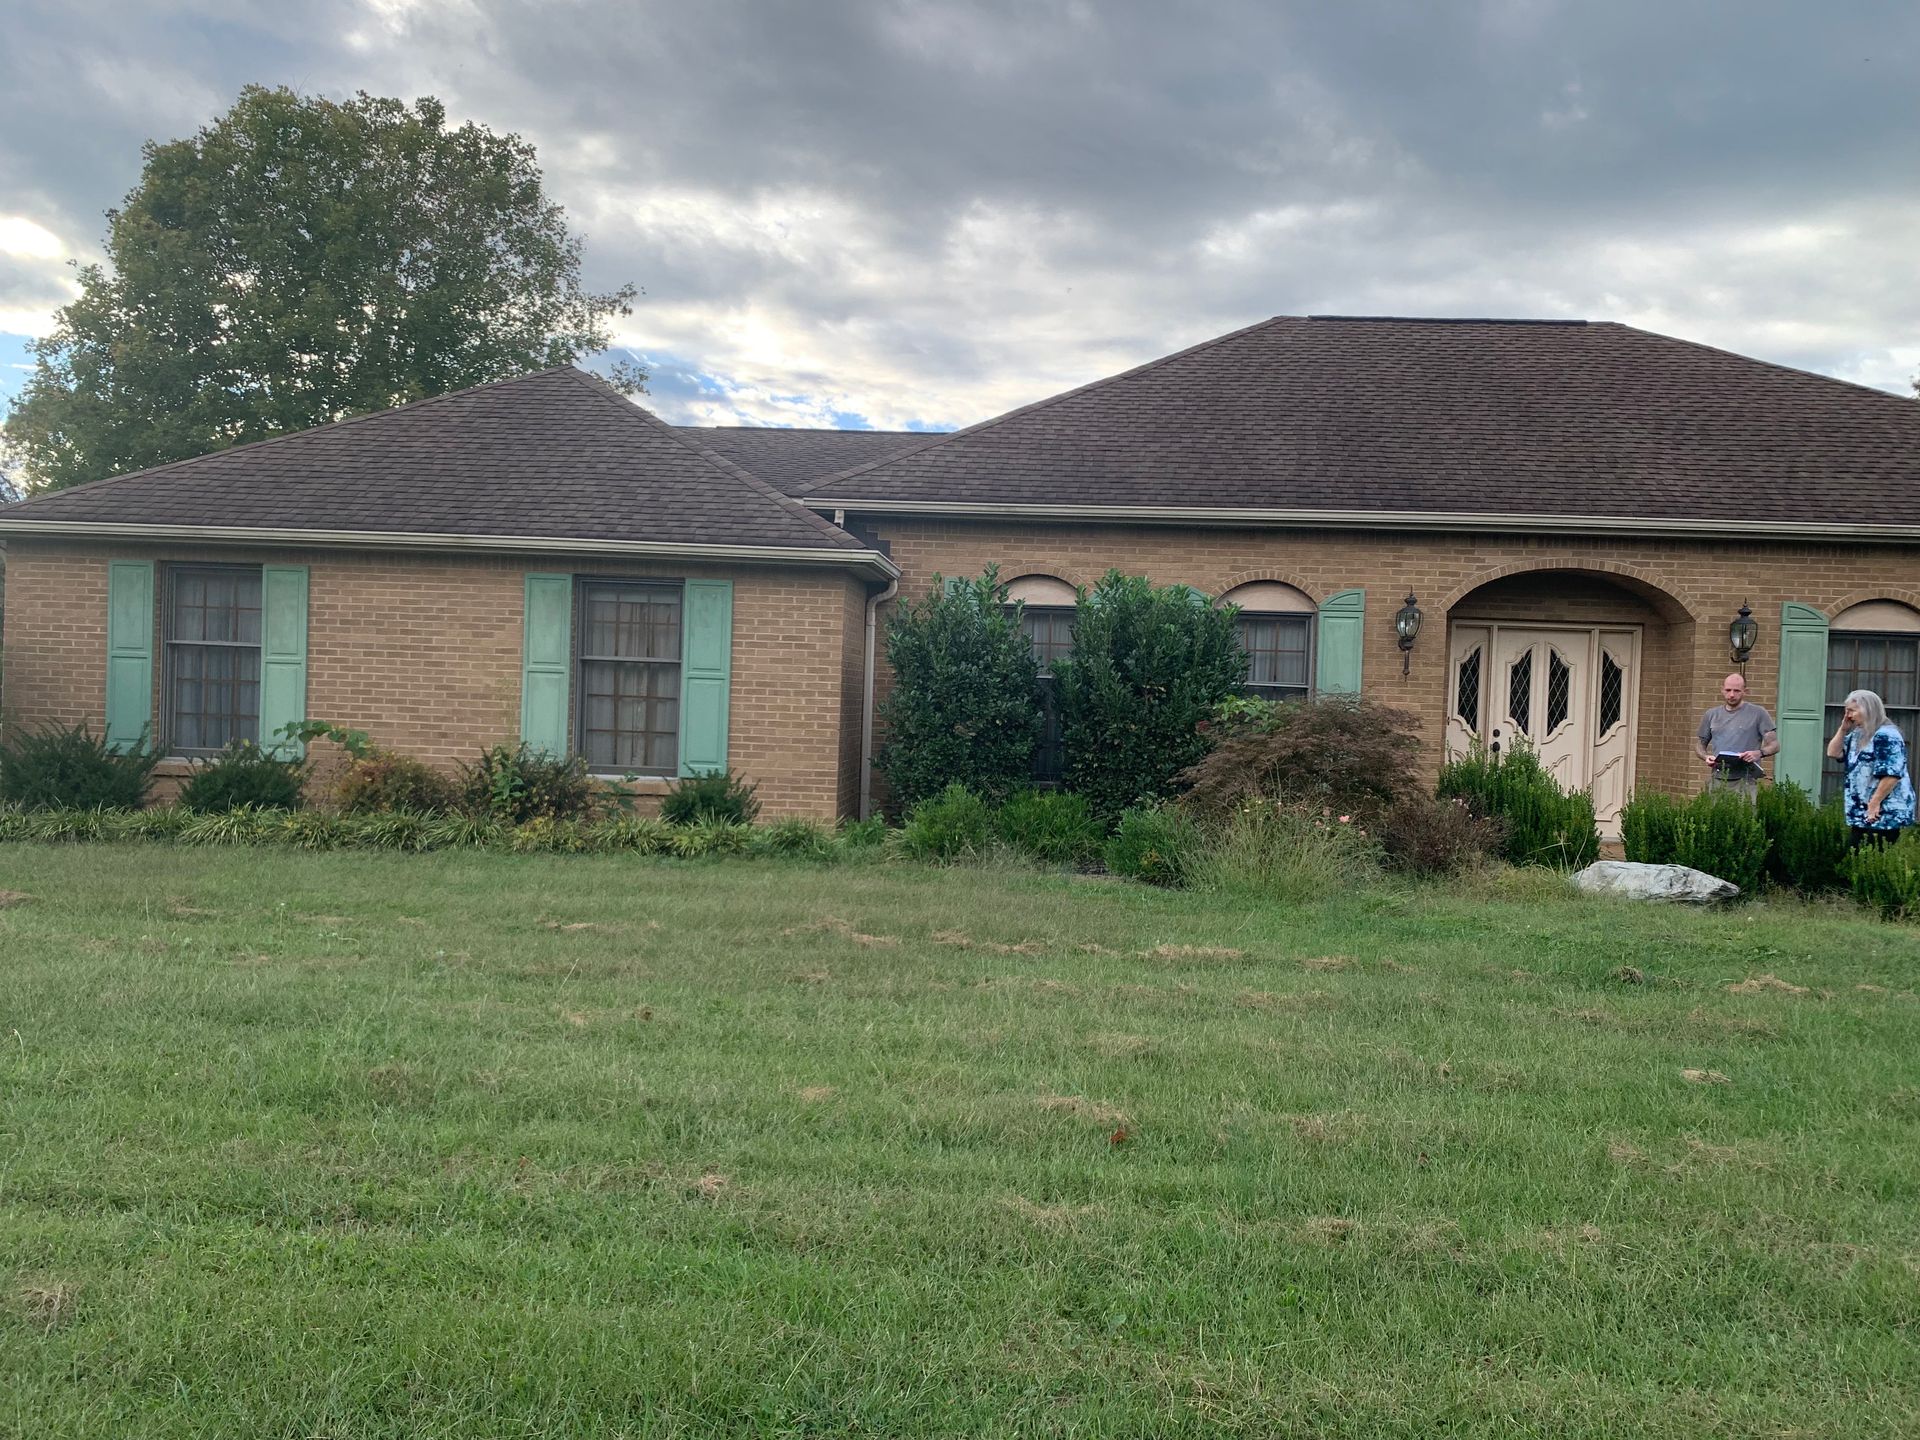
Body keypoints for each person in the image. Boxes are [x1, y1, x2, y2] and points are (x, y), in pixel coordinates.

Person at [1825, 689, 1916, 847]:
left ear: (1867, 709)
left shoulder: (1887, 735)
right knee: (1855, 858)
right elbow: (1833, 752)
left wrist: (1874, 803)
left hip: (1883, 812)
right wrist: (1843, 729)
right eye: (1847, 711)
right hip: (1861, 811)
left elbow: (1892, 774)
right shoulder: (1858, 734)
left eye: (1852, 711)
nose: (1849, 715)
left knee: (1867, 857)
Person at [1694, 673, 1778, 799]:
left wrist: (1758, 753)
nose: (1732, 695)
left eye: (1737, 691)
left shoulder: (1758, 713)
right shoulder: (1711, 714)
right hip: (1718, 777)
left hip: (1746, 779)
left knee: (1744, 817)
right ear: (1722, 690)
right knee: (1715, 817)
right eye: (1728, 690)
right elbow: (1700, 744)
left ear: (1745, 691)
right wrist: (1706, 757)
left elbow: (1775, 745)